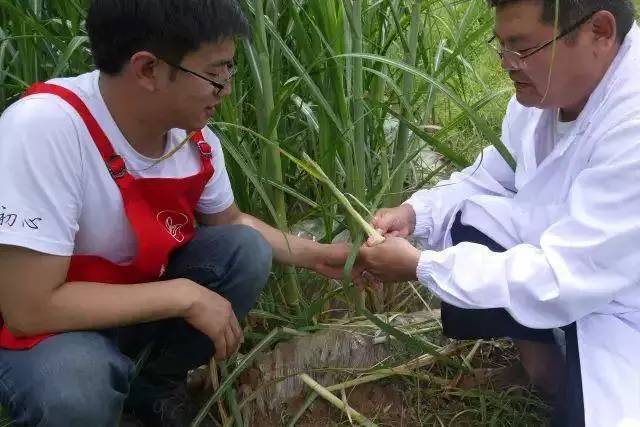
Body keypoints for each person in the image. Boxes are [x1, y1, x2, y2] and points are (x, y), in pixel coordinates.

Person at [0, 1, 350, 425]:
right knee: (74, 390)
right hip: (44, 331)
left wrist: (319, 256)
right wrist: (184, 296)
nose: (226, 88)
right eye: (214, 74)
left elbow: (232, 223)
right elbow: (28, 309)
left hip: (128, 302)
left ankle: (151, 386)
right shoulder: (45, 128)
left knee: (243, 250)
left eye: (229, 71)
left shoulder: (192, 140)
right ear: (147, 69)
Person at [357, 0, 640, 426]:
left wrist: (423, 266)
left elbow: (564, 277)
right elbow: (491, 174)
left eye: (522, 48)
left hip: (621, 301)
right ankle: (542, 370)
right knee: (466, 219)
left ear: (599, 32)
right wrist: (415, 214)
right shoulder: (545, 94)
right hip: (581, 268)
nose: (508, 63)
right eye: (502, 45)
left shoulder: (632, 123)